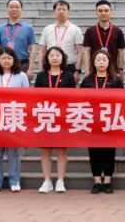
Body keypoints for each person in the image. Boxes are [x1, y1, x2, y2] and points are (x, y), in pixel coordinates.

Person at [0, 47, 30, 192]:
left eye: (9, 58)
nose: (6, 61)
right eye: (3, 58)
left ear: (14, 60)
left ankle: (14, 181)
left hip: (14, 116)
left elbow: (27, 96)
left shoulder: (21, 76)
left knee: (13, 152)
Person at [34, 46, 76, 193]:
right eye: (51, 55)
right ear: (47, 58)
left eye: (58, 55)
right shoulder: (41, 76)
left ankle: (60, 180)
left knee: (62, 150)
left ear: (63, 58)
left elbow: (73, 97)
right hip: (45, 116)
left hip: (62, 117)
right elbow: (35, 97)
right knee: (45, 150)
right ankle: (47, 180)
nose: (55, 58)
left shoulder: (69, 76)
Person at [80, 50, 124, 194]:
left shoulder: (116, 80)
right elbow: (80, 99)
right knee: (94, 152)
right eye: (98, 59)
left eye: (104, 59)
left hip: (110, 120)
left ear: (109, 62)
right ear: (93, 62)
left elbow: (122, 100)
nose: (101, 62)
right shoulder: (87, 80)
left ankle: (108, 181)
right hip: (92, 121)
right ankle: (97, 181)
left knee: (109, 151)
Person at [37, 0, 84, 79]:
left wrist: (77, 71)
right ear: (54, 12)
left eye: (64, 9)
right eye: (58, 9)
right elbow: (42, 51)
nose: (61, 12)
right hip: (50, 67)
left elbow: (80, 51)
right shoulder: (47, 29)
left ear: (68, 12)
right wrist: (41, 69)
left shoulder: (75, 29)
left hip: (68, 67)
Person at [82, 0, 125, 76]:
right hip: (94, 71)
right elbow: (87, 51)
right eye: (100, 11)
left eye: (106, 11)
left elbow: (120, 52)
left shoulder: (118, 31)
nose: (103, 13)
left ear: (111, 12)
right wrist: (87, 70)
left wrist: (120, 69)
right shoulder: (90, 31)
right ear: (96, 12)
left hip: (113, 71)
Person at [0, 0, 36, 70]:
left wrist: (31, 69)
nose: (14, 9)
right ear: (7, 9)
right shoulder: (0, 28)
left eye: (17, 7)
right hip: (4, 65)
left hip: (22, 65)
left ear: (21, 9)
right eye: (11, 7)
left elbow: (33, 49)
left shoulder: (29, 28)